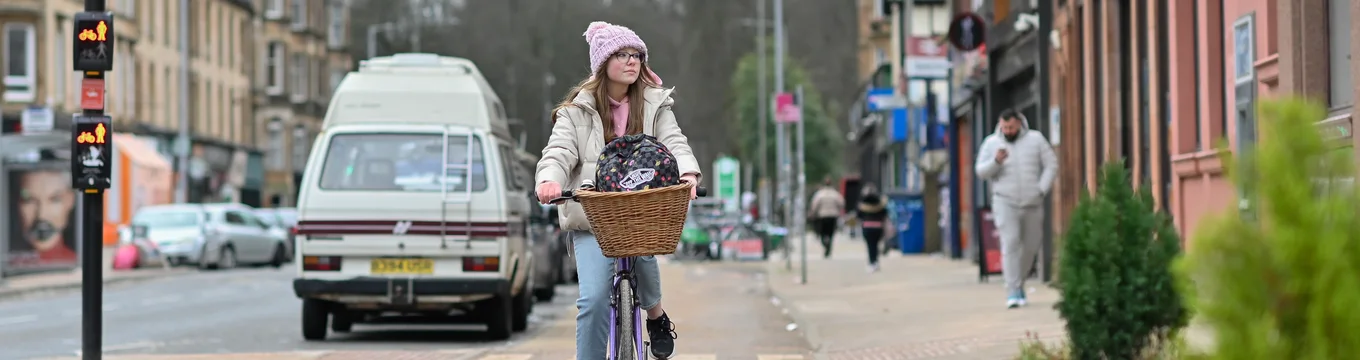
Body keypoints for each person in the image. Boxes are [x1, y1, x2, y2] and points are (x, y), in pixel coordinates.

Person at [534, 21, 701, 360]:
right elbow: (559, 152)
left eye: (637, 55)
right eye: (621, 55)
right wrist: (549, 180)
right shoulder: (577, 111)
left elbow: (674, 142)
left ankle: (655, 316)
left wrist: (688, 172)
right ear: (602, 63)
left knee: (642, 245)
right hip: (592, 217)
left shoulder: (655, 103)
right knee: (593, 300)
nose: (631, 61)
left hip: (640, 211)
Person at [974, 108, 1058, 309]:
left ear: (1019, 123)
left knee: (1031, 245)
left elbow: (1051, 165)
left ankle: (1019, 281)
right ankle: (1012, 289)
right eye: (1004, 127)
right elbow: (980, 171)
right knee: (1010, 243)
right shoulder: (992, 143)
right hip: (1005, 201)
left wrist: (1041, 189)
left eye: (1011, 127)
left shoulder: (1036, 140)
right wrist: (996, 162)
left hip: (1032, 201)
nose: (1008, 131)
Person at [9, 170, 78, 265]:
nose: (41, 215)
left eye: (55, 199)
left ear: (70, 201)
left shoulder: (81, 265)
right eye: (29, 200)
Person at [856, 184, 889, 272]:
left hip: (867, 227)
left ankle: (871, 262)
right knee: (876, 245)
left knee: (870, 245)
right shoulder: (880, 204)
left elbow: (859, 216)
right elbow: (885, 214)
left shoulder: (862, 205)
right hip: (878, 227)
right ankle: (876, 262)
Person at [808, 178, 844, 258]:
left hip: (822, 216)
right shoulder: (835, 194)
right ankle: (829, 246)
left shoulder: (820, 194)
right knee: (831, 233)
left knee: (822, 233)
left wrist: (813, 213)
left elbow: (815, 205)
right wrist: (838, 210)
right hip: (833, 216)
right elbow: (841, 203)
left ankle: (825, 243)